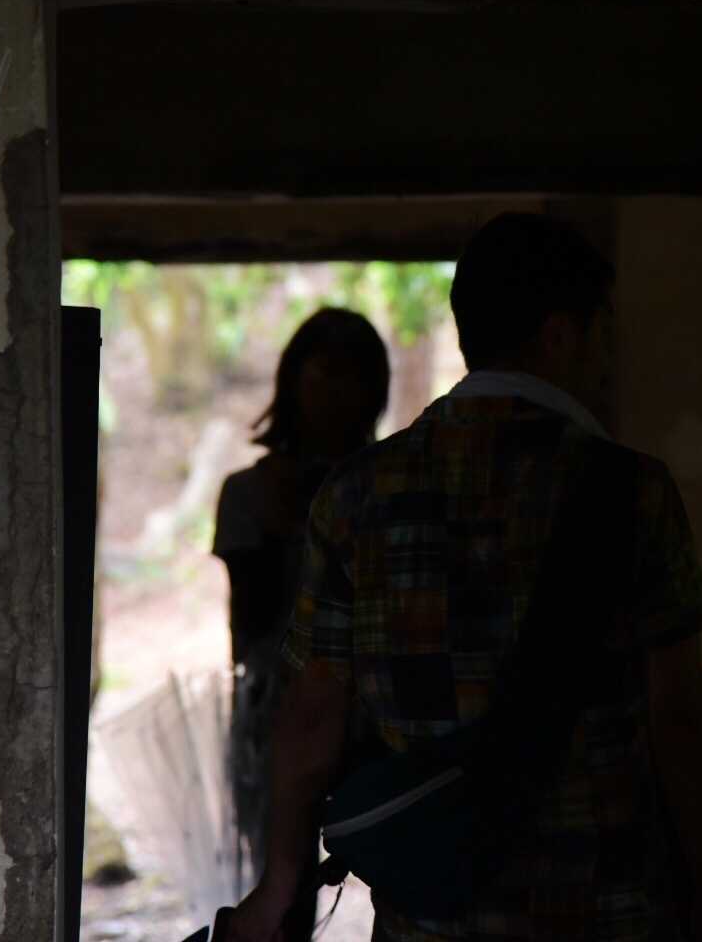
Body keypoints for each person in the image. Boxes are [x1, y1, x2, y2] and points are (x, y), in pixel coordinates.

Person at [231, 215, 702, 942]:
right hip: (600, 908)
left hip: (429, 916)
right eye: (604, 332)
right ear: (562, 335)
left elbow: (313, 712)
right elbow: (678, 715)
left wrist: (279, 887)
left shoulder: (356, 495)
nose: (608, 357)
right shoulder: (631, 492)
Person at [213, 306, 391, 942]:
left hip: (377, 715)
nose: (338, 394)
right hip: (277, 713)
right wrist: (286, 523)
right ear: (293, 383)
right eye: (325, 375)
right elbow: (251, 623)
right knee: (281, 893)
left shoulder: (392, 488)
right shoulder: (251, 491)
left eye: (353, 376)